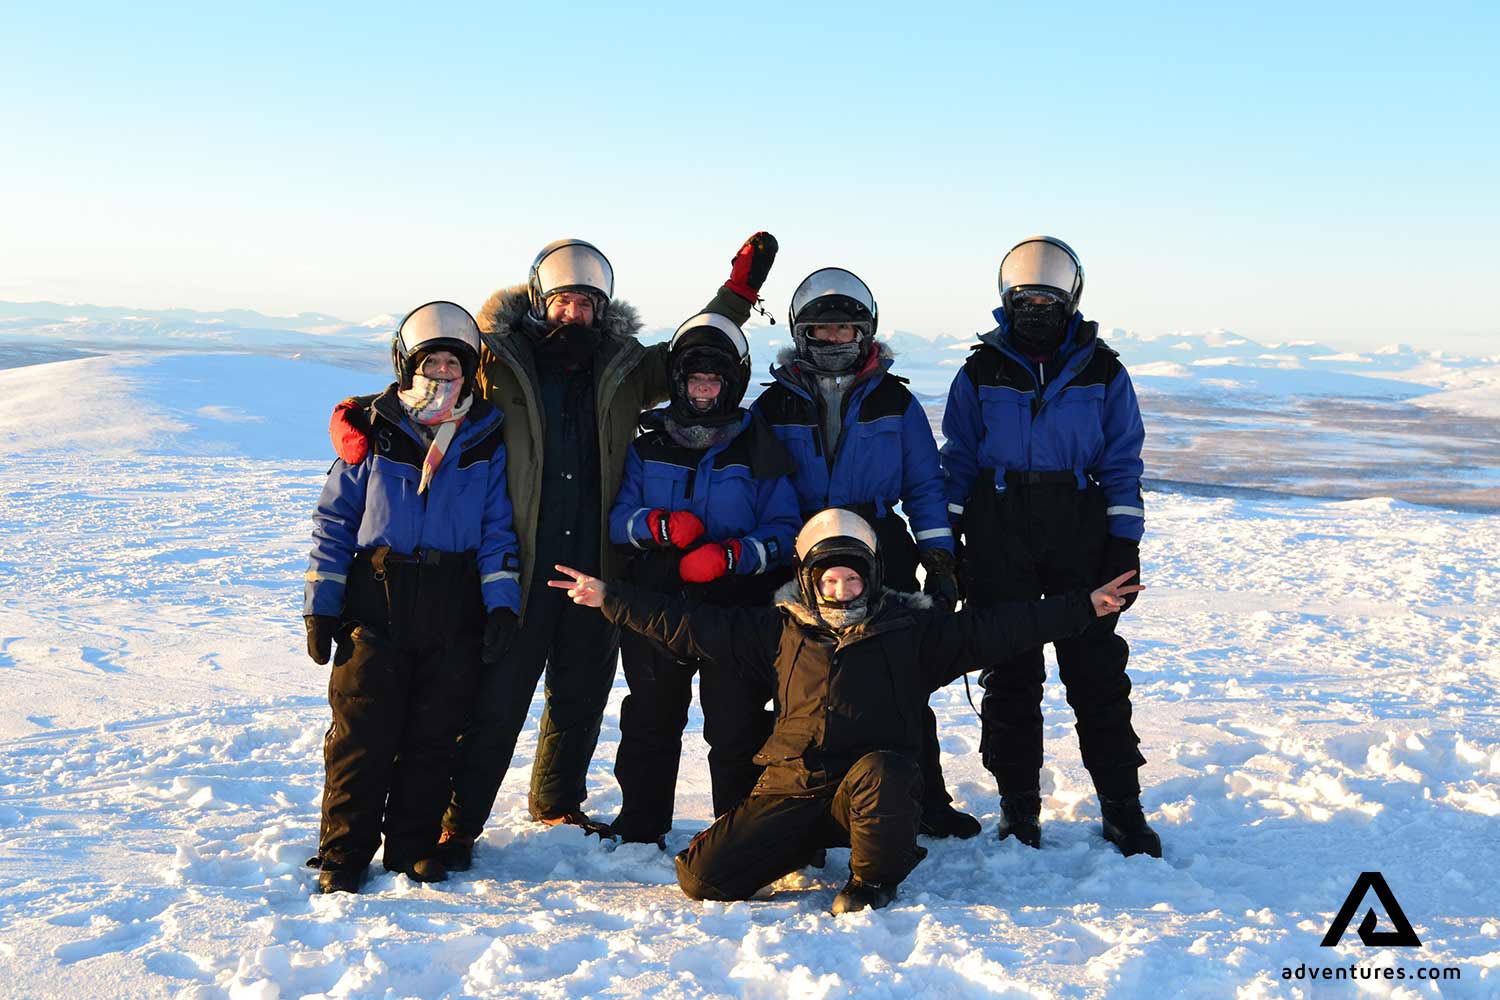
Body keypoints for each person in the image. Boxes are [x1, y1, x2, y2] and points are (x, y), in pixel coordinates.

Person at [326, 234, 780, 871]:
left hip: (597, 563)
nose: (576, 314)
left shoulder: (622, 369)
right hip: (519, 561)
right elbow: (429, 371)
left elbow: (691, 349)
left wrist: (736, 295)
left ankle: (557, 801)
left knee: (581, 691)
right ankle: (458, 824)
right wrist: (361, 413)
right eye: (564, 301)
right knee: (498, 699)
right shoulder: (497, 359)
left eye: (588, 304)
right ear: (541, 301)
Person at [549, 509, 1142, 913]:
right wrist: (610, 598)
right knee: (701, 878)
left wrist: (1083, 606)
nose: (841, 587)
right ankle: (799, 841)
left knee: (884, 772)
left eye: (852, 577)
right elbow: (692, 624)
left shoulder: (912, 632)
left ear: (872, 578)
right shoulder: (779, 632)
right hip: (795, 784)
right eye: (829, 578)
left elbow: (1002, 627)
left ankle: (873, 879)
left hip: (871, 786)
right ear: (808, 582)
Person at [732, 266, 978, 839]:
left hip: (880, 546)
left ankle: (926, 800)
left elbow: (924, 485)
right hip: (799, 551)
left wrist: (939, 559)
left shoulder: (895, 402)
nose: (835, 339)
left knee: (902, 677)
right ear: (802, 334)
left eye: (846, 329)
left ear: (865, 333)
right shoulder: (774, 405)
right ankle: (785, 802)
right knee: (796, 681)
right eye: (824, 330)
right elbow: (756, 486)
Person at [940, 235, 1160, 857]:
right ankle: (1019, 809)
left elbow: (1122, 462)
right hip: (998, 524)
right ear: (1007, 301)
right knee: (1009, 671)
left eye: (1048, 296)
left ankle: (1123, 809)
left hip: (1079, 527)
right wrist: (947, 541)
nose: (1036, 307)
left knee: (1095, 671)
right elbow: (958, 458)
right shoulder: (980, 369)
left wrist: (1124, 544)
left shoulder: (1103, 370)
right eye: (1025, 297)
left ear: (1070, 299)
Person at [303, 301, 523, 893]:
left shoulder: (484, 436)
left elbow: (498, 529)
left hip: (453, 603)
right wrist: (320, 607)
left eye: (455, 363)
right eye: (433, 362)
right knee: (362, 734)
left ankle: (412, 844)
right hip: (378, 596)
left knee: (434, 734)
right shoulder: (372, 430)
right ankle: (343, 853)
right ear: (409, 366)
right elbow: (334, 521)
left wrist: (502, 603)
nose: (443, 373)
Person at [605, 308, 801, 847]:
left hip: (736, 603)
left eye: (714, 379)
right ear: (678, 380)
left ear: (732, 383)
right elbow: (618, 519)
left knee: (735, 723)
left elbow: (786, 530)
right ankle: (641, 826)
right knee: (650, 715)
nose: (704, 389)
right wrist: (661, 525)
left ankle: (737, 829)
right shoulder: (648, 444)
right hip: (657, 595)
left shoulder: (758, 447)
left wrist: (735, 556)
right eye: (695, 379)